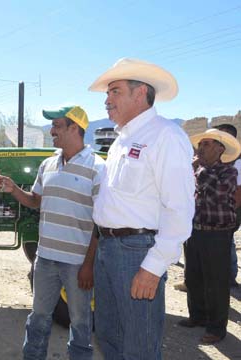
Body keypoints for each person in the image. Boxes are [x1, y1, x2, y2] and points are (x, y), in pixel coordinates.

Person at [88, 58, 195, 359]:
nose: (107, 101)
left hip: (137, 252)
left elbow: (179, 208)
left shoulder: (166, 136)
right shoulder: (122, 139)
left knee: (139, 347)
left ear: (140, 93)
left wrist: (153, 267)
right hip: (109, 248)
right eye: (107, 94)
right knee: (108, 335)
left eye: (115, 92)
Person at [0, 105, 104, 360]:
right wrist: (13, 189)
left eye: (57, 125)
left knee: (80, 324)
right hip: (45, 259)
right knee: (38, 318)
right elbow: (35, 201)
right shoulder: (48, 164)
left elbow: (101, 223)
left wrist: (89, 264)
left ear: (74, 128)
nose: (52, 130)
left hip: (77, 263)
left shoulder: (98, 167)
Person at [178, 128, 240, 344]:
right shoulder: (196, 170)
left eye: (206, 144)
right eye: (200, 144)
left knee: (216, 282)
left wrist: (195, 171)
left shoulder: (229, 172)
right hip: (195, 230)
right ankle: (197, 316)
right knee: (194, 276)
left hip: (217, 234)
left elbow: (214, 194)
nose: (200, 149)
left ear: (220, 149)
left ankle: (216, 327)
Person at [213, 124, 240, 288]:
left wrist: (229, 212)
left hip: (229, 213)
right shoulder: (220, 160)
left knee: (227, 241)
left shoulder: (238, 161)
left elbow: (239, 191)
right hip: (215, 213)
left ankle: (229, 277)